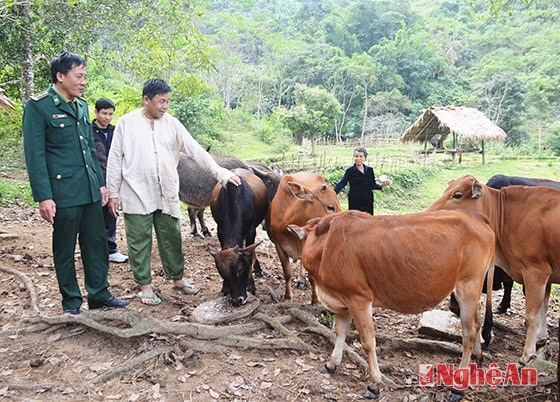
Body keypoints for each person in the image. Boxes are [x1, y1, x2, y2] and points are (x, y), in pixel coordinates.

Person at [106, 78, 242, 306]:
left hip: (167, 192)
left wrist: (222, 174)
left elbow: (196, 151)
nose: (165, 106)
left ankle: (177, 278)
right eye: (161, 101)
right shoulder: (126, 123)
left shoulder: (172, 124)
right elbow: (114, 159)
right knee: (139, 240)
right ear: (146, 100)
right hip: (136, 192)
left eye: (168, 101)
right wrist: (113, 192)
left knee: (171, 238)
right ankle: (145, 285)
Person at [22, 52, 130, 314]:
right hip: (63, 193)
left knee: (96, 244)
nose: (83, 82)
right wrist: (43, 197)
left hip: (90, 190)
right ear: (61, 77)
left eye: (84, 76)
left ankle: (99, 294)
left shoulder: (81, 105)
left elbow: (90, 150)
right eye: (78, 76)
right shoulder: (39, 106)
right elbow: (35, 156)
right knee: (65, 249)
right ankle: (71, 301)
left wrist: (101, 184)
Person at [92, 98, 128, 263]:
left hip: (113, 180)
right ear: (96, 112)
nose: (107, 117)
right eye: (104, 113)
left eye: (110, 114)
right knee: (95, 217)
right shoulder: (88, 131)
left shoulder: (116, 131)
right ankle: (95, 251)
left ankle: (111, 249)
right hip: (94, 181)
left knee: (111, 214)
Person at [334, 146, 391, 215]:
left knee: (368, 222)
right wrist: (333, 194)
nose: (358, 159)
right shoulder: (350, 171)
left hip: (368, 201)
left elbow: (372, 185)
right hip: (355, 201)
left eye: (361, 156)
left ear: (365, 158)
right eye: (356, 156)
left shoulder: (370, 170)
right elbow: (342, 183)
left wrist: (382, 185)